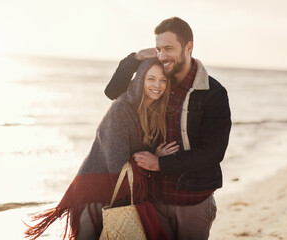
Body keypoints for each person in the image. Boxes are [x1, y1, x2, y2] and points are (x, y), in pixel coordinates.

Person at [104, 17, 232, 240]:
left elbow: (213, 152)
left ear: (188, 47)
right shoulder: (158, 81)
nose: (162, 56)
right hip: (154, 198)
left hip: (193, 201)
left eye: (169, 49)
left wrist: (160, 164)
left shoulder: (213, 93)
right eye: (159, 49)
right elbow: (113, 91)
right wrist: (136, 58)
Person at [25, 58, 177, 240]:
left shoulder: (152, 114)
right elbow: (117, 166)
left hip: (116, 197)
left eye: (163, 80)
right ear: (140, 80)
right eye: (151, 78)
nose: (157, 85)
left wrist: (155, 160)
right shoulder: (121, 109)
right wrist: (154, 160)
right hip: (94, 197)